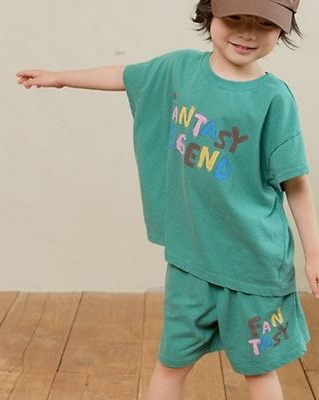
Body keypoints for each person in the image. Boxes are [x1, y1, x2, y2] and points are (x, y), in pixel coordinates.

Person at [16, 0, 319, 398]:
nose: (247, 32)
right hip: (190, 260)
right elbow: (124, 75)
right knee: (172, 363)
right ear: (210, 13)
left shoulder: (273, 99)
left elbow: (295, 181)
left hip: (253, 266)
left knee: (259, 371)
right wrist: (59, 78)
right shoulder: (179, 70)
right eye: (235, 17)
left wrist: (313, 255)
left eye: (264, 23)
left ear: (283, 29)